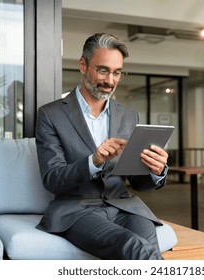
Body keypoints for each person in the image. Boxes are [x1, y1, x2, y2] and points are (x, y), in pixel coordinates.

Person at [35, 33, 169, 260]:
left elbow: (138, 182)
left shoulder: (128, 116)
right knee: (133, 245)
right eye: (103, 70)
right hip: (77, 210)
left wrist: (156, 171)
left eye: (117, 73)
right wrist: (93, 161)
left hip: (125, 207)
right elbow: (53, 179)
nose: (110, 81)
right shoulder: (51, 114)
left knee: (146, 244)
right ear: (83, 65)